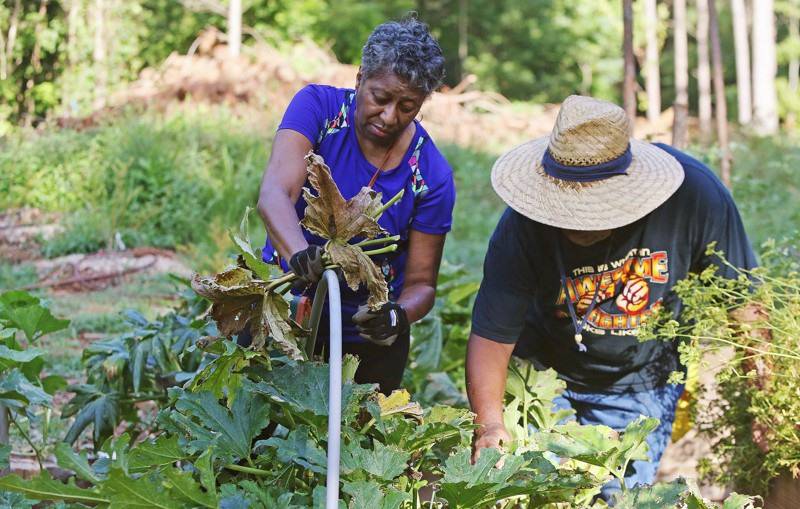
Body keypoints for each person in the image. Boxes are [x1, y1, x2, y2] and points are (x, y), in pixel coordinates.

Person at [466, 95, 756, 501]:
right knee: (537, 492)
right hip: (543, 377)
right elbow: (492, 336)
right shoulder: (522, 226)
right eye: (567, 210)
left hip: (639, 382)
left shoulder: (694, 199)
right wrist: (491, 426)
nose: (578, 224)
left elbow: (744, 306)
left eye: (593, 211)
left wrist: (762, 405)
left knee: (620, 498)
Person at [254, 18, 455, 395]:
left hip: (365, 344)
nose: (390, 115)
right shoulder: (319, 109)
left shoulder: (430, 174)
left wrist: (399, 315)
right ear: (360, 78)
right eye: (380, 98)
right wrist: (299, 255)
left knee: (356, 447)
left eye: (408, 106)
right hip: (284, 313)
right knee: (256, 437)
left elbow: (422, 284)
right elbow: (274, 193)